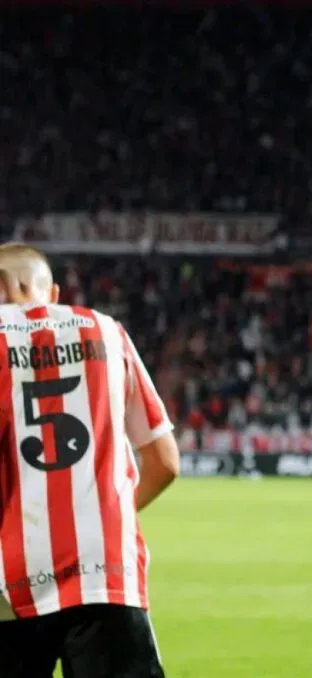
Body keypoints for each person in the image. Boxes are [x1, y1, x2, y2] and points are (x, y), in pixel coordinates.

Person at [0, 245, 179, 677]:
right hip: (106, 569)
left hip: (11, 575)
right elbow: (165, 462)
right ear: (52, 293)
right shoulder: (107, 331)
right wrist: (102, 518)